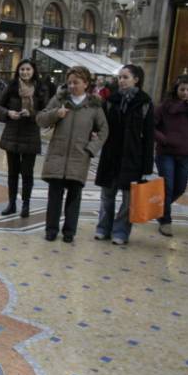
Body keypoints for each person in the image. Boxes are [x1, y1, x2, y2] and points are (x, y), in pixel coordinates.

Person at [36, 66, 109, 243]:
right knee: (54, 196)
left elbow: (104, 130)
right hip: (57, 155)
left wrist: (91, 149)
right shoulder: (60, 99)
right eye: (69, 82)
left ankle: (69, 231)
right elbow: (40, 118)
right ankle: (51, 229)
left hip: (79, 157)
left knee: (74, 197)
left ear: (86, 83)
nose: (72, 86)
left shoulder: (93, 106)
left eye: (76, 82)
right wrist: (56, 113)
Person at [94, 64, 154, 245]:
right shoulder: (111, 101)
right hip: (111, 154)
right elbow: (101, 126)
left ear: (136, 79)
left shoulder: (145, 103)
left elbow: (149, 136)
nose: (121, 80)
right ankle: (103, 227)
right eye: (120, 77)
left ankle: (121, 231)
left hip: (132, 157)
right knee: (107, 196)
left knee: (128, 199)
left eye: (125, 77)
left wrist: (147, 166)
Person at [0, 59, 49, 218]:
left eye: (28, 69)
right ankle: (11, 203)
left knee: (27, 173)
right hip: (12, 133)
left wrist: (31, 114)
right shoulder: (11, 87)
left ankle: (26, 204)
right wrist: (8, 113)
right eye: (22, 69)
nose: (25, 72)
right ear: (18, 71)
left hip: (31, 134)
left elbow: (46, 112)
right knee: (12, 172)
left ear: (33, 71)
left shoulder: (41, 89)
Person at [153, 74, 188, 237]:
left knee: (180, 187)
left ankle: (160, 209)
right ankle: (166, 220)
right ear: (176, 89)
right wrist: (164, 139)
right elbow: (151, 126)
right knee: (167, 186)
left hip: (185, 153)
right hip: (166, 153)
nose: (185, 93)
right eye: (182, 89)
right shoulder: (164, 107)